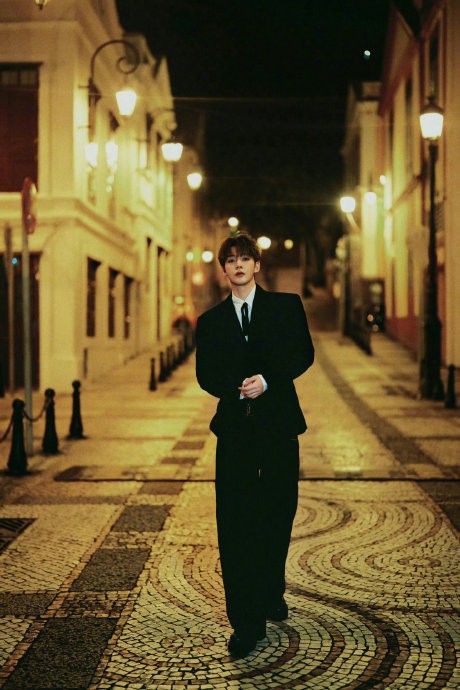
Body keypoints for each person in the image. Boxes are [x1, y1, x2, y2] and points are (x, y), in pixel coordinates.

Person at [195, 232, 314, 659]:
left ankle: (270, 589)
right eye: (231, 260)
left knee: (278, 512)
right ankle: (246, 622)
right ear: (224, 269)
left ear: (257, 265)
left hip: (279, 427)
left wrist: (268, 379)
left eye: (245, 258)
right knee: (236, 521)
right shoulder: (210, 322)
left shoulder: (286, 307)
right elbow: (205, 374)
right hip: (235, 433)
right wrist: (236, 386)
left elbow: (303, 353)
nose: (239, 265)